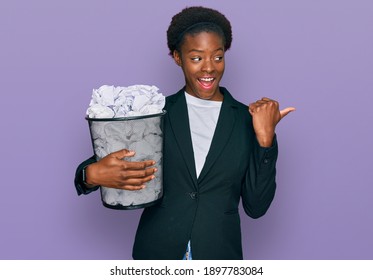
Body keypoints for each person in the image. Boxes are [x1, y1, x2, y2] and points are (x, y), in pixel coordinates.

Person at [74, 6, 295, 260]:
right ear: (178, 57)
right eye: (197, 58)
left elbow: (256, 207)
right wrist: (90, 175)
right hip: (156, 254)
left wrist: (265, 141)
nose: (209, 68)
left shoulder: (248, 120)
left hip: (219, 256)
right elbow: (102, 163)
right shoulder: (155, 113)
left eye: (218, 57)